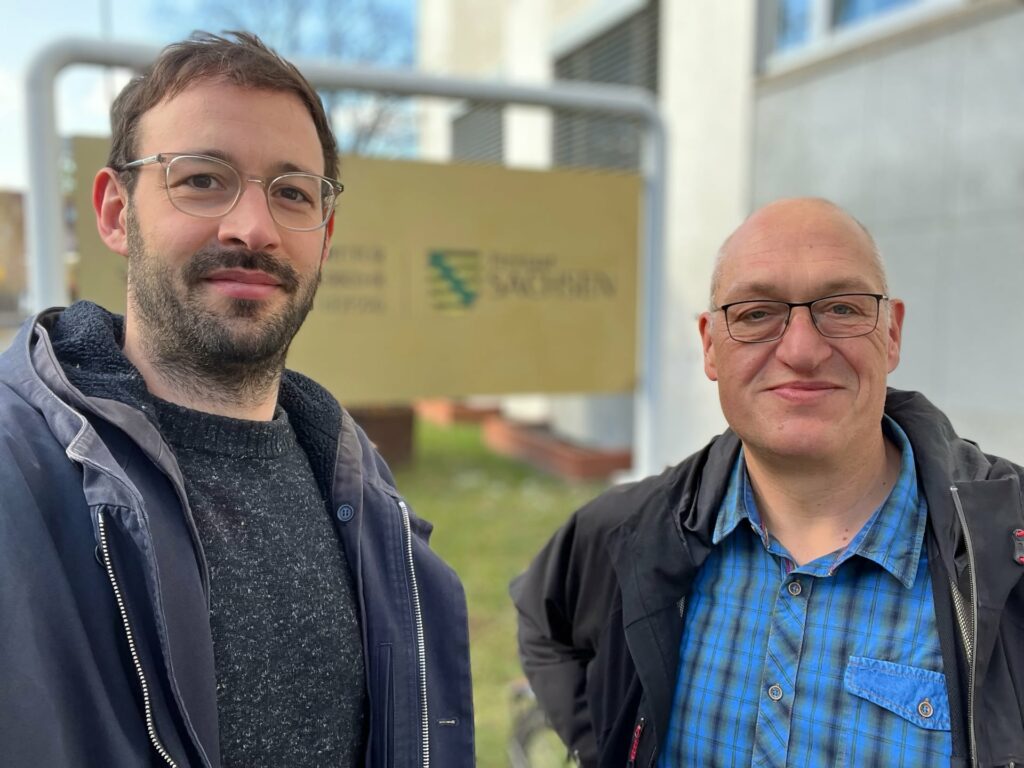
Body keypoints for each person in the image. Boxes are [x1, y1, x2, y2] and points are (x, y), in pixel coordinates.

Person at [0, 32, 473, 768]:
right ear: (116, 211)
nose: (253, 229)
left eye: (291, 193)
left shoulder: (359, 483)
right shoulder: (17, 479)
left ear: (326, 231)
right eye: (201, 179)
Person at [511, 198, 1024, 767]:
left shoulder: (1005, 550)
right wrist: (606, 747)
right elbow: (543, 624)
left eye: (843, 308)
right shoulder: (625, 531)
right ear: (710, 344)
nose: (802, 351)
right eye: (756, 314)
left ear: (892, 333)